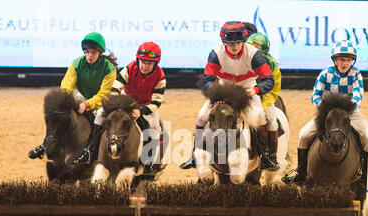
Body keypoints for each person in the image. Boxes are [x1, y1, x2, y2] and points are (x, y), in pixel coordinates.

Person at [180, 21, 275, 170]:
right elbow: (207, 81)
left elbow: (270, 81)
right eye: (230, 43)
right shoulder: (216, 53)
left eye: (238, 43)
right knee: (201, 116)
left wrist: (255, 90)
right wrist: (216, 94)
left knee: (261, 117)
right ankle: (194, 154)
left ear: (243, 41)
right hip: (223, 92)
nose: (235, 47)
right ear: (224, 42)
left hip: (247, 91)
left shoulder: (254, 54)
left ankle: (266, 155)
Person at [282, 40, 368, 184]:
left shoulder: (356, 74)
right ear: (335, 60)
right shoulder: (325, 73)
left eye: (348, 60)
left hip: (350, 113)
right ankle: (301, 171)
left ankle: (365, 177)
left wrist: (347, 109)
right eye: (341, 59)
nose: (345, 63)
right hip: (328, 113)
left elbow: (358, 95)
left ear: (352, 61)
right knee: (303, 135)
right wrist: (324, 109)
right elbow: (315, 95)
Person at [28, 32, 117, 164]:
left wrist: (86, 105)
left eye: (93, 52)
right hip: (83, 95)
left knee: (100, 117)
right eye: (87, 52)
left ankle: (89, 150)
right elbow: (66, 87)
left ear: (100, 53)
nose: (89, 56)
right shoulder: (76, 64)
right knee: (59, 114)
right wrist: (64, 101)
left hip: (103, 99)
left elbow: (103, 94)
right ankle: (46, 143)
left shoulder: (109, 68)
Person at [111, 41, 166, 175]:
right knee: (101, 116)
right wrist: (117, 105)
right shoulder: (129, 68)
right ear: (138, 60)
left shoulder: (160, 76)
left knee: (155, 129)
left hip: (146, 105)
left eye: (149, 63)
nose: (145, 66)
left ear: (155, 64)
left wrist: (140, 111)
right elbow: (115, 89)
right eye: (142, 62)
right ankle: (90, 150)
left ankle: (148, 163)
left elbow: (156, 103)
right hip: (126, 101)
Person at [246, 32, 282, 171]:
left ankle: (270, 157)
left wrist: (262, 105)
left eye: (256, 47)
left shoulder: (272, 65)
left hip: (263, 98)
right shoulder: (244, 59)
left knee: (272, 120)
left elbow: (273, 89)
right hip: (243, 96)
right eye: (250, 46)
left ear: (264, 50)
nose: (252, 50)